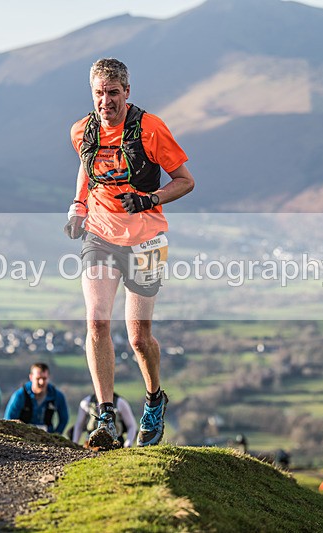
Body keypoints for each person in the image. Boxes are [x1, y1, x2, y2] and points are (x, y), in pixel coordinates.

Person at [63, 58, 195, 451]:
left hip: (147, 239)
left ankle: (154, 399)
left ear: (127, 92)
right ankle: (105, 413)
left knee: (138, 338)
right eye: (99, 93)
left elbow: (186, 181)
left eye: (113, 93)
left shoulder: (150, 129)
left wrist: (150, 198)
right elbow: (87, 167)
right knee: (97, 323)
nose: (106, 101)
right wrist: (78, 205)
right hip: (100, 236)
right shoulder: (81, 130)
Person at [4, 362, 69, 434]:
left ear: (49, 378)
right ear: (31, 377)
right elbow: (9, 419)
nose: (41, 382)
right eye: (38, 378)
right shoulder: (20, 396)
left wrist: (56, 435)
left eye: (44, 378)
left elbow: (64, 419)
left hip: (47, 436)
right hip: (24, 435)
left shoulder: (57, 396)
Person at [71, 391, 138, 448]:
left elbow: (131, 425)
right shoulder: (86, 403)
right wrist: (75, 443)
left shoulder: (120, 402)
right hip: (91, 443)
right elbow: (79, 425)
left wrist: (128, 443)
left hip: (116, 442)